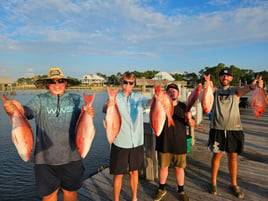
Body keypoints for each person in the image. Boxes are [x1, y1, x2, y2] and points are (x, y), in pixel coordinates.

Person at [3, 67, 94, 201]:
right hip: (44, 160)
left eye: (60, 81)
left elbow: (85, 122)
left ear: (65, 83)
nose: (57, 84)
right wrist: (15, 108)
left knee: (70, 194)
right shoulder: (39, 100)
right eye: (53, 82)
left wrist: (89, 113)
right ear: (47, 84)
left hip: (72, 158)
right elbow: (26, 112)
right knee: (48, 197)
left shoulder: (76, 99)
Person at [205, 68, 263, 199]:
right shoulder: (214, 91)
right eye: (222, 76)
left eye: (227, 76)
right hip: (217, 128)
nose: (225, 78)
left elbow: (248, 88)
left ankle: (233, 184)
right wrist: (206, 86)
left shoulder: (236, 90)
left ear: (231, 78)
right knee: (217, 155)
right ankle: (213, 182)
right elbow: (205, 95)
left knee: (233, 157)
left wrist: (256, 85)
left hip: (234, 129)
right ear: (219, 78)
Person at [103, 71, 152, 201]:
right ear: (121, 82)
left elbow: (149, 103)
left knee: (134, 172)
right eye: (125, 82)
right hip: (119, 141)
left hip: (136, 142)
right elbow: (104, 109)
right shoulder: (115, 97)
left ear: (134, 84)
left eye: (131, 83)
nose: (128, 85)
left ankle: (134, 197)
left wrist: (157, 98)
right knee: (118, 174)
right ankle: (116, 199)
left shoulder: (139, 97)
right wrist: (108, 105)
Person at [153, 83, 195, 201]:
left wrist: (190, 118)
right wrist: (156, 99)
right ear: (166, 94)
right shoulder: (160, 104)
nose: (172, 92)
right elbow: (153, 113)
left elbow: (192, 124)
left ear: (178, 93)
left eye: (174, 90)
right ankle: (161, 189)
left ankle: (181, 191)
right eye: (169, 91)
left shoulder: (184, 107)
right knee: (163, 167)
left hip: (179, 143)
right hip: (164, 142)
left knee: (179, 168)